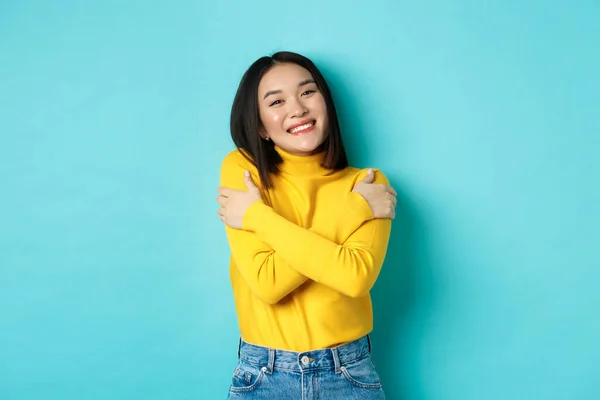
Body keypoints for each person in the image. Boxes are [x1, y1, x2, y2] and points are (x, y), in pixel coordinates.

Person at [216, 51, 397, 399]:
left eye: (307, 92)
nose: (297, 108)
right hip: (263, 374)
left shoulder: (368, 182)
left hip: (347, 373)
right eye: (277, 101)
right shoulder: (242, 169)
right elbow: (267, 283)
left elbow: (354, 277)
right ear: (259, 125)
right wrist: (353, 210)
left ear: (326, 104)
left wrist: (255, 215)